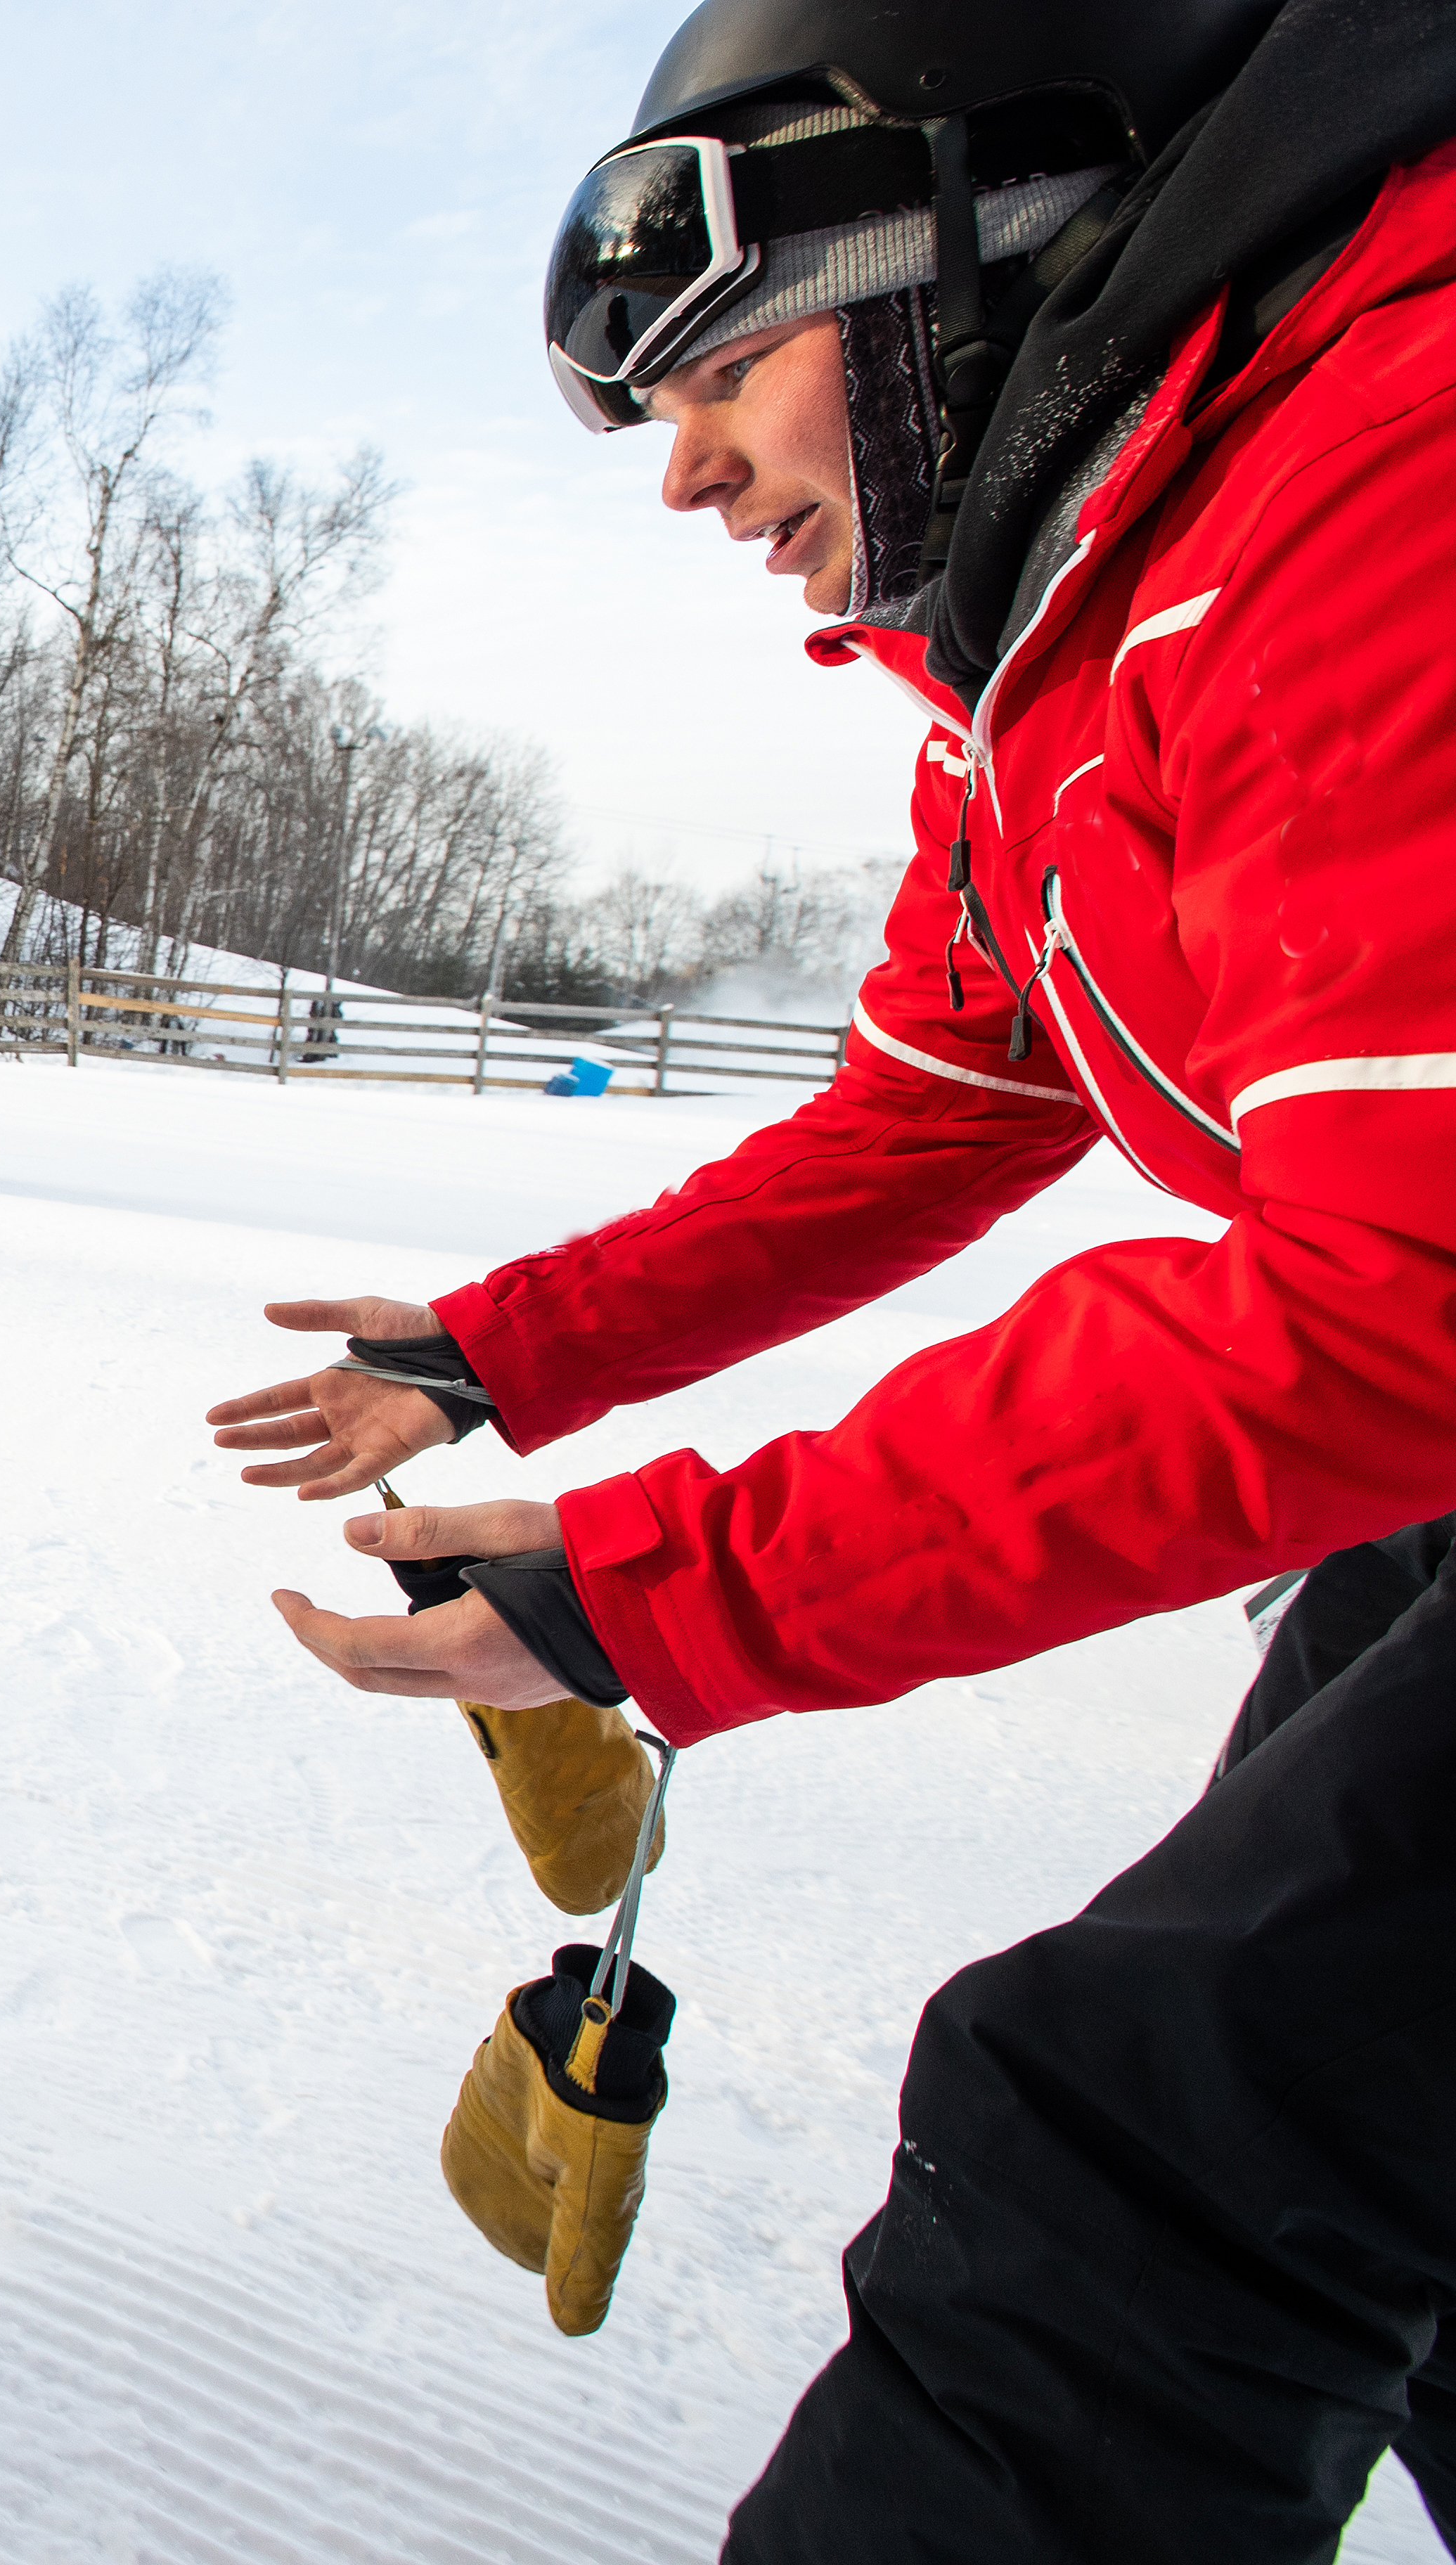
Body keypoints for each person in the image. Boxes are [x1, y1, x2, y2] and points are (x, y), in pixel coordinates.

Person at [205, 1, 1456, 2553]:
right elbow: (929, 1112)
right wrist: (492, 1352)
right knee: (1351, 2160)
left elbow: (1406, 1283)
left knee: (1140, 2137)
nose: (681, 472)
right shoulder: (1056, 658)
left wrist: (664, 1582)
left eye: (721, 367)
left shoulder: (1390, 454)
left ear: (978, 224)